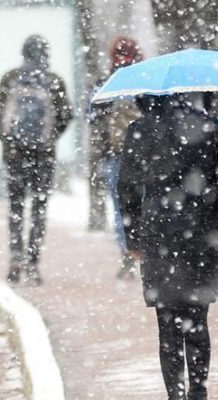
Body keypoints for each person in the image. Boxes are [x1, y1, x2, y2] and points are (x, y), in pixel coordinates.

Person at [118, 94, 218, 400]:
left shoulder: (140, 130)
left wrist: (133, 238)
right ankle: (198, 391)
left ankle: (175, 394)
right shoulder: (209, 126)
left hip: (158, 233)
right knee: (198, 318)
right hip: (202, 231)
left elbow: (127, 187)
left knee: (167, 323)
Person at [0, 35, 72, 285]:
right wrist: (49, 138)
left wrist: (8, 139)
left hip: (15, 154)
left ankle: (15, 258)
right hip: (43, 156)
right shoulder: (53, 81)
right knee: (39, 208)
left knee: (16, 207)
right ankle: (33, 263)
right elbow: (66, 115)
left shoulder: (10, 78)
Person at [89, 36, 144, 279]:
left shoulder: (105, 84)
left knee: (121, 208)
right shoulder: (146, 82)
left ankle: (127, 253)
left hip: (115, 156)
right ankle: (147, 252)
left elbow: (92, 115)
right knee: (146, 205)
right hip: (144, 156)